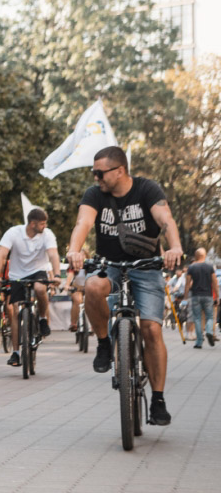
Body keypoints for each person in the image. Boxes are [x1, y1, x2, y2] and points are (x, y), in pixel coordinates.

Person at [65, 145, 183, 426]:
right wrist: (74, 250)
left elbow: (165, 219)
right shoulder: (94, 195)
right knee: (93, 287)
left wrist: (174, 247)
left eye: (100, 173)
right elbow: (83, 222)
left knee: (152, 329)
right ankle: (105, 344)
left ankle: (157, 400)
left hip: (147, 266)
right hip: (109, 265)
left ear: (119, 171)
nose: (96, 178)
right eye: (94, 173)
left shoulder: (147, 189)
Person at [0, 207, 61, 367]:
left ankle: (43, 319)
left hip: (39, 270)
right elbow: (1, 254)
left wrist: (57, 275)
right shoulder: (14, 233)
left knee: (39, 289)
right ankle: (16, 353)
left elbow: (53, 254)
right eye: (42, 224)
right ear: (32, 224)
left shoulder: (47, 234)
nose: (45, 226)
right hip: (17, 274)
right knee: (15, 310)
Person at [185, 248, 219, 348]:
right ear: (204, 256)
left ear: (196, 256)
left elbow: (187, 284)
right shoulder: (209, 267)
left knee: (197, 318)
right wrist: (217, 296)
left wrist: (185, 297)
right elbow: (215, 282)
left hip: (195, 295)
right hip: (208, 295)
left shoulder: (191, 267)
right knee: (210, 317)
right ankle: (209, 331)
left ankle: (199, 342)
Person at [63, 249, 88, 332]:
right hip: (76, 288)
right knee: (77, 300)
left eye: (82, 255)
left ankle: (93, 325)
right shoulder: (73, 267)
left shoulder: (90, 266)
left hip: (87, 288)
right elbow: (70, 276)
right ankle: (73, 323)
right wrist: (67, 285)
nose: (80, 258)